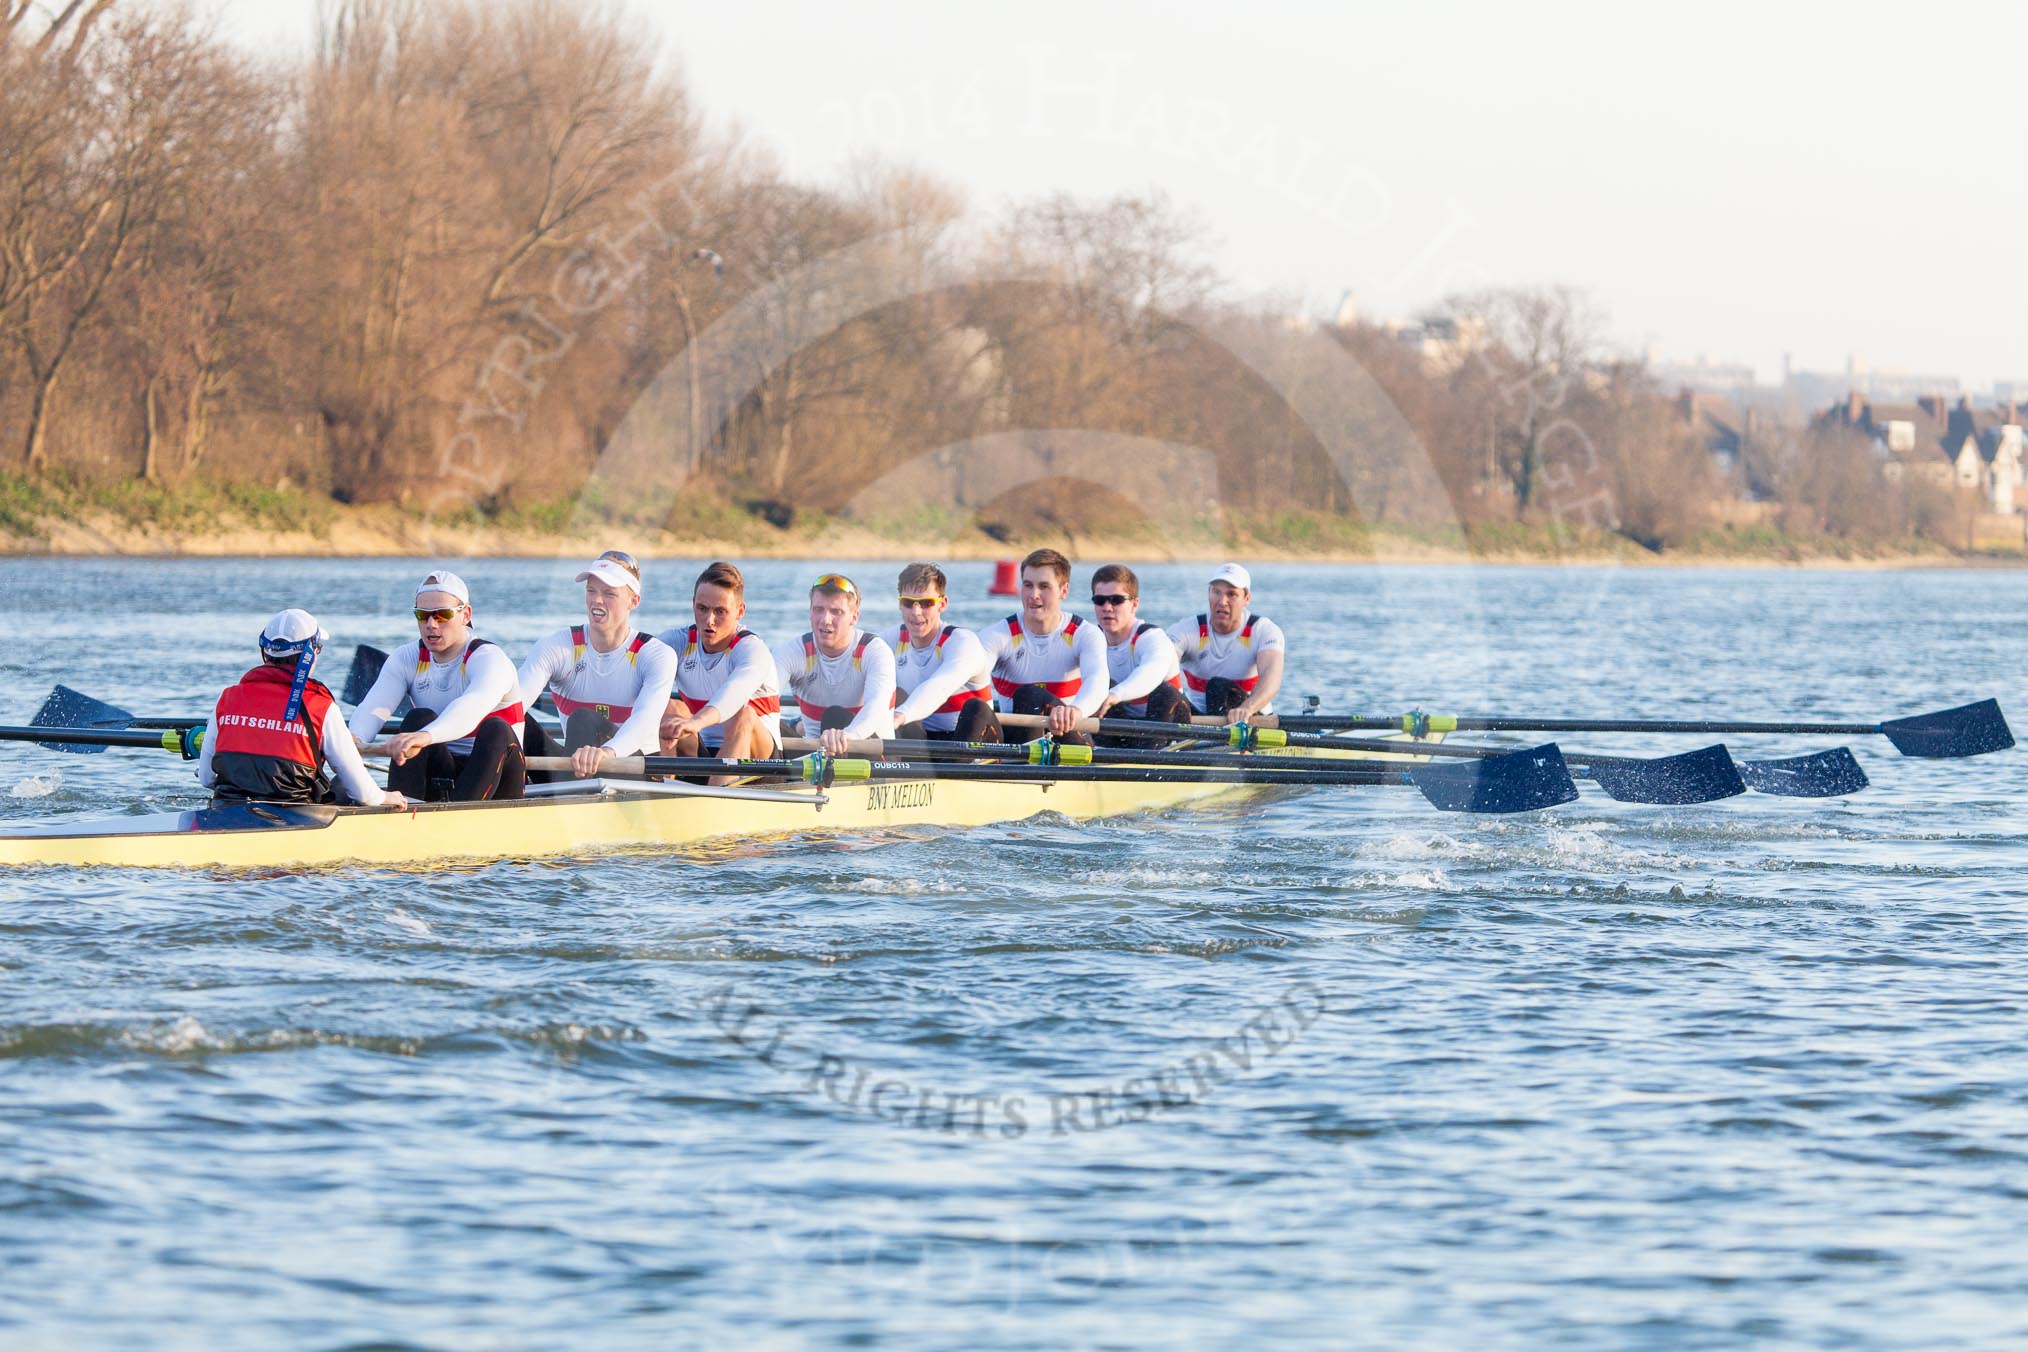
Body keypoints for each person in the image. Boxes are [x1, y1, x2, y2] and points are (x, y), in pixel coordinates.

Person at [349, 569, 526, 802]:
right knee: (417, 718)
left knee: (496, 728)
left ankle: (459, 818)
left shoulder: (490, 659)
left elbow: (469, 709)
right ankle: (401, 814)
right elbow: (374, 706)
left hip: (499, 773)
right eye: (422, 615)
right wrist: (352, 739)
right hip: (445, 768)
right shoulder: (406, 658)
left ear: (466, 614)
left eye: (442, 615)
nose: (431, 624)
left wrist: (424, 737)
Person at [198, 608, 404, 807]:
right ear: (311, 653)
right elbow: (364, 794)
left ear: (265, 652)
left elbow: (207, 778)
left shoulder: (227, 698)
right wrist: (389, 797)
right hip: (297, 817)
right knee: (342, 784)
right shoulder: (322, 708)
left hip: (227, 809)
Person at [516, 550, 677, 780]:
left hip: (637, 773)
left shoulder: (656, 655)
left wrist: (606, 753)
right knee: (507, 719)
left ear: (634, 601)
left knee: (584, 718)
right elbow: (517, 701)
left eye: (609, 593)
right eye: (591, 591)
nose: (596, 600)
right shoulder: (556, 646)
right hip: (578, 769)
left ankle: (570, 797)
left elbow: (644, 721)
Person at [657, 561, 782, 775]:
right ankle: (661, 787)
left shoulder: (752, 650)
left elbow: (732, 696)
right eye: (702, 609)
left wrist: (696, 722)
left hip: (760, 762)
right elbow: (634, 674)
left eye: (720, 611)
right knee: (670, 708)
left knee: (742, 716)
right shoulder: (676, 642)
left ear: (740, 611)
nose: (709, 620)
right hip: (706, 752)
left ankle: (717, 796)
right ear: (693, 603)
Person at [976, 547, 1109, 742]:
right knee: (983, 705)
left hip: (1069, 738)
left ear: (1064, 590)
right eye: (1028, 585)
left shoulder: (1085, 634)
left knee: (1031, 694)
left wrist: (1075, 710)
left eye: (1044, 586)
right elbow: (971, 677)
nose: (1034, 595)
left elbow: (1097, 682)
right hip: (1017, 741)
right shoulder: (997, 635)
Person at [772, 573, 897, 755]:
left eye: (836, 612)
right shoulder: (790, 651)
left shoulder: (875, 651)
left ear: (854, 617)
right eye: (818, 609)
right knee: (756, 720)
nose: (825, 619)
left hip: (873, 755)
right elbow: (762, 700)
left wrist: (846, 736)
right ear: (810, 611)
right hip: (814, 755)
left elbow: (875, 708)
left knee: (835, 716)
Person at [887, 562, 996, 742]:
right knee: (896, 695)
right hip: (923, 742)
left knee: (976, 708)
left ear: (942, 604)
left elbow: (940, 686)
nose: (916, 612)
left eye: (926, 603)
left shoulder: (963, 642)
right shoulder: (890, 641)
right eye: (908, 603)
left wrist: (899, 716)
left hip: (969, 738)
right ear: (900, 604)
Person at [1168, 562, 1285, 723]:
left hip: (1250, 717)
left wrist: (1247, 708)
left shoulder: (1263, 631)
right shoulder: (1185, 630)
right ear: (1209, 593)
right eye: (1216, 592)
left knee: (1218, 687)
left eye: (1231, 594)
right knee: (1165, 692)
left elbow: (1272, 679)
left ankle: (1222, 744)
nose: (1222, 601)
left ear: (1247, 599)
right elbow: (1161, 664)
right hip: (1198, 719)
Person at [1087, 563, 1191, 741]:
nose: (1107, 607)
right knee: (1100, 686)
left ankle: (1150, 759)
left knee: (1165, 692)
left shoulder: (1152, 638)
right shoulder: (1089, 639)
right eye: (1100, 600)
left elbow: (1149, 674)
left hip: (1164, 724)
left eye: (1116, 600)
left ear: (1134, 604)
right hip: (1123, 726)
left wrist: (1116, 695)